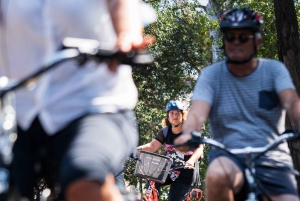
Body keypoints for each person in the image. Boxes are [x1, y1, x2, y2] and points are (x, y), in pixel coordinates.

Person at [0, 0, 154, 200]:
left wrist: (127, 35)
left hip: (97, 108)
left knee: (83, 176)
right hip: (23, 117)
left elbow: (122, 3)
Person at [174, 7, 300, 201]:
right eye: (230, 36)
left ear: (257, 41)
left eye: (244, 37)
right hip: (228, 157)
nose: (236, 42)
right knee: (216, 175)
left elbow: (292, 102)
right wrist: (189, 133)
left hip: (272, 159)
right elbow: (197, 114)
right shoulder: (212, 76)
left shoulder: (274, 71)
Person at [136, 100, 203, 201]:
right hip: (170, 169)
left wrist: (191, 161)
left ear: (182, 115)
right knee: (153, 178)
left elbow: (199, 148)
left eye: (177, 113)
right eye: (172, 113)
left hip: (186, 173)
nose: (175, 116)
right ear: (168, 115)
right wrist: (136, 149)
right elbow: (153, 145)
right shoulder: (165, 131)